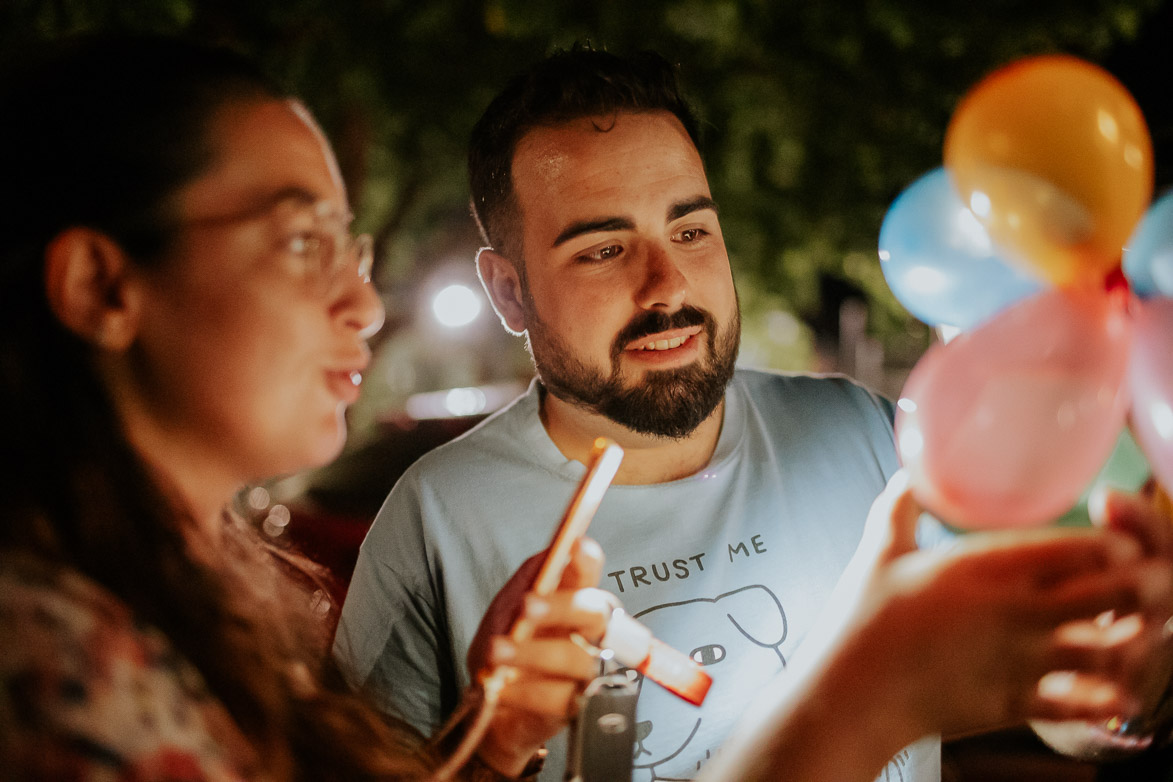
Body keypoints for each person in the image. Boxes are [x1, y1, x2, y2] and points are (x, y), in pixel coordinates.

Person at [334, 47, 1173, 781]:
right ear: (508, 290)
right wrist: (493, 746)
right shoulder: (436, 521)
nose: (666, 286)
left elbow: (1056, 699)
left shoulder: (870, 439)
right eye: (602, 249)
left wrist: (1123, 681)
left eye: (691, 231)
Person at [0, 35, 614, 781]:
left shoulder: (207, 590)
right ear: (101, 286)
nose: (363, 305)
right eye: (299, 241)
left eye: (349, 253)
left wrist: (494, 733)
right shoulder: (53, 663)